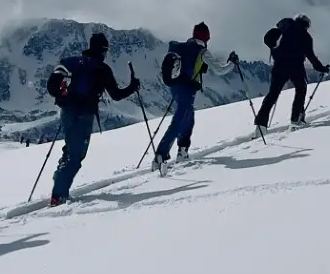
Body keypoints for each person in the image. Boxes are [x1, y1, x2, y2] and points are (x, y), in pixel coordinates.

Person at [49, 31, 140, 206]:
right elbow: (116, 95)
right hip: (84, 115)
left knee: (71, 149)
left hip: (66, 111)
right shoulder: (101, 68)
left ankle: (61, 177)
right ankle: (58, 195)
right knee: (76, 155)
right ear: (103, 50)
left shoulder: (74, 63)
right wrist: (132, 86)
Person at [154, 22, 216, 169]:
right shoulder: (201, 51)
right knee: (180, 120)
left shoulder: (182, 48)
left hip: (175, 87)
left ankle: (182, 151)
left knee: (188, 118)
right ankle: (161, 155)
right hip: (187, 89)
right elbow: (220, 70)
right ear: (206, 37)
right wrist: (232, 63)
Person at [258, 14, 329, 128]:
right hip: (295, 66)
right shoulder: (305, 36)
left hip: (278, 66)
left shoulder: (283, 30)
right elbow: (311, 57)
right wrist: (322, 69)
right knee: (301, 89)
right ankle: (296, 119)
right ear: (305, 24)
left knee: (273, 94)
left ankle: (260, 124)